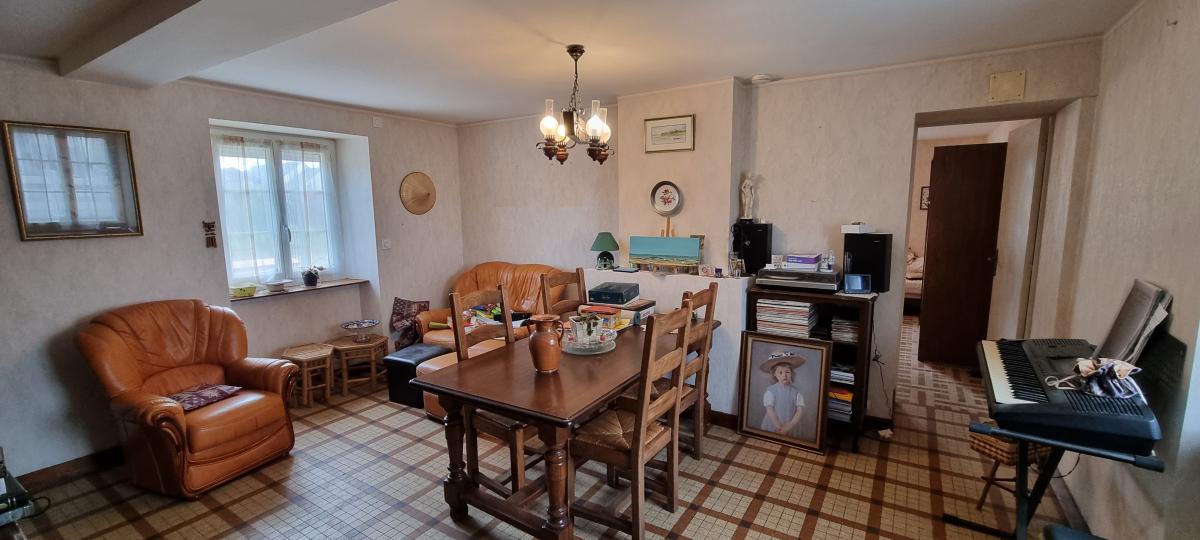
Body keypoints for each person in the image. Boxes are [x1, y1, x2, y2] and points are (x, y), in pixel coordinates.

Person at [760, 351, 806, 438]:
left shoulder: (796, 392)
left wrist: (788, 427)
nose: (784, 375)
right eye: (780, 372)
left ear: (791, 373)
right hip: (773, 424)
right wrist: (779, 427)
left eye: (787, 372)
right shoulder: (771, 391)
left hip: (790, 425)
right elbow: (770, 410)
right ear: (774, 374)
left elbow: (799, 411)